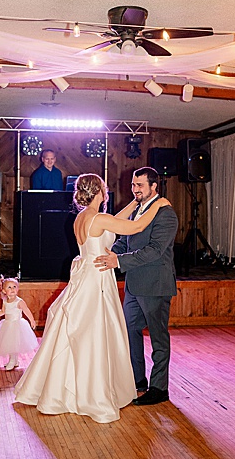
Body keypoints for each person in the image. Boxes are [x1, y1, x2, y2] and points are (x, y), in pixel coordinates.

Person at [15, 173, 170, 423]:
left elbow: (113, 222)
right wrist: (158, 205)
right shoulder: (97, 218)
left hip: (86, 276)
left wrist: (134, 203)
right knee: (94, 334)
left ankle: (67, 387)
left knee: (79, 332)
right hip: (96, 280)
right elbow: (135, 227)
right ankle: (91, 393)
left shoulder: (84, 217)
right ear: (100, 191)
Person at [94, 167, 179, 407]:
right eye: (133, 185)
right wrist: (110, 254)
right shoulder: (137, 211)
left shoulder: (166, 214)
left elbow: (154, 251)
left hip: (155, 284)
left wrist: (118, 262)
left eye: (140, 185)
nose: (135, 189)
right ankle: (136, 380)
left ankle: (159, 388)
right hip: (134, 283)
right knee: (129, 331)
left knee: (159, 339)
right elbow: (125, 240)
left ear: (154, 187)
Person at [0, 275, 37, 370]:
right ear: (4, 291)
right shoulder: (5, 301)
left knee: (14, 343)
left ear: (18, 288)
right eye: (9, 287)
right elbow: (2, 311)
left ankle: (13, 360)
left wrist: (32, 320)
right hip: (7, 324)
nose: (12, 289)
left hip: (17, 324)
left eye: (14, 287)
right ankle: (14, 360)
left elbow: (26, 310)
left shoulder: (19, 301)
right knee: (11, 343)